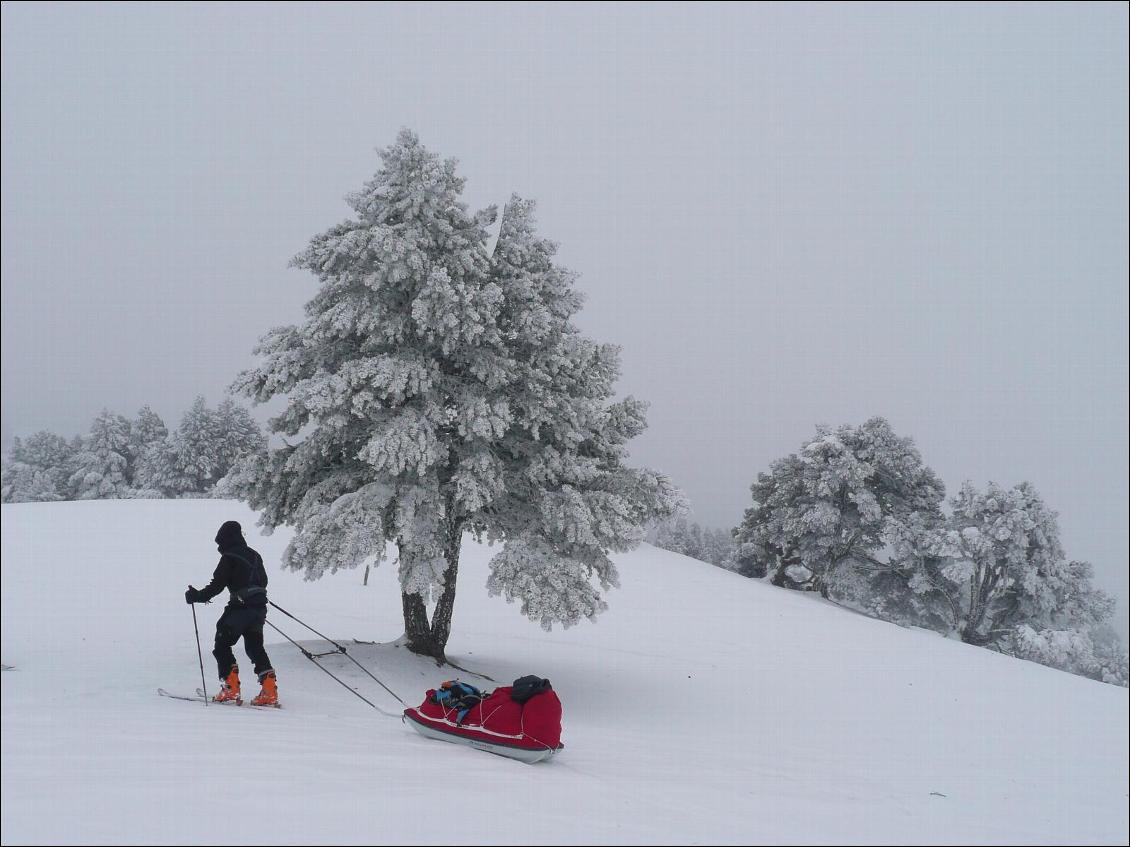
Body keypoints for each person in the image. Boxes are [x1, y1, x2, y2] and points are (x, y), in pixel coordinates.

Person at [185, 520, 279, 706]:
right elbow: (264, 581)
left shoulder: (229, 557)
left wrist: (197, 596)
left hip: (240, 607)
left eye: (220, 543)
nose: (220, 547)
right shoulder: (255, 555)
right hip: (259, 608)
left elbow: (217, 584)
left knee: (222, 643)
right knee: (254, 647)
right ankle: (269, 690)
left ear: (226, 540)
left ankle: (231, 688)